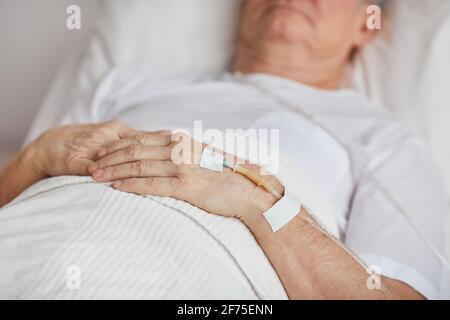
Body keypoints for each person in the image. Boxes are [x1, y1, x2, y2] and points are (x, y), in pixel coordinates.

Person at [0, 0, 444, 299]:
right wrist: (33, 159)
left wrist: (261, 201)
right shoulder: (124, 84)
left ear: (367, 24)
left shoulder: (384, 137)